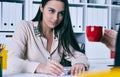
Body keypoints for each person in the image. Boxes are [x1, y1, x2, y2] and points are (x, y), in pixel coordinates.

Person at [7, 0, 89, 76]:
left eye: (61, 13)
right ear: (41, 8)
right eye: (51, 11)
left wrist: (80, 63)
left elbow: (79, 56)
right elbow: (11, 62)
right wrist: (40, 67)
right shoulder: (25, 27)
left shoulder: (61, 34)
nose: (55, 18)